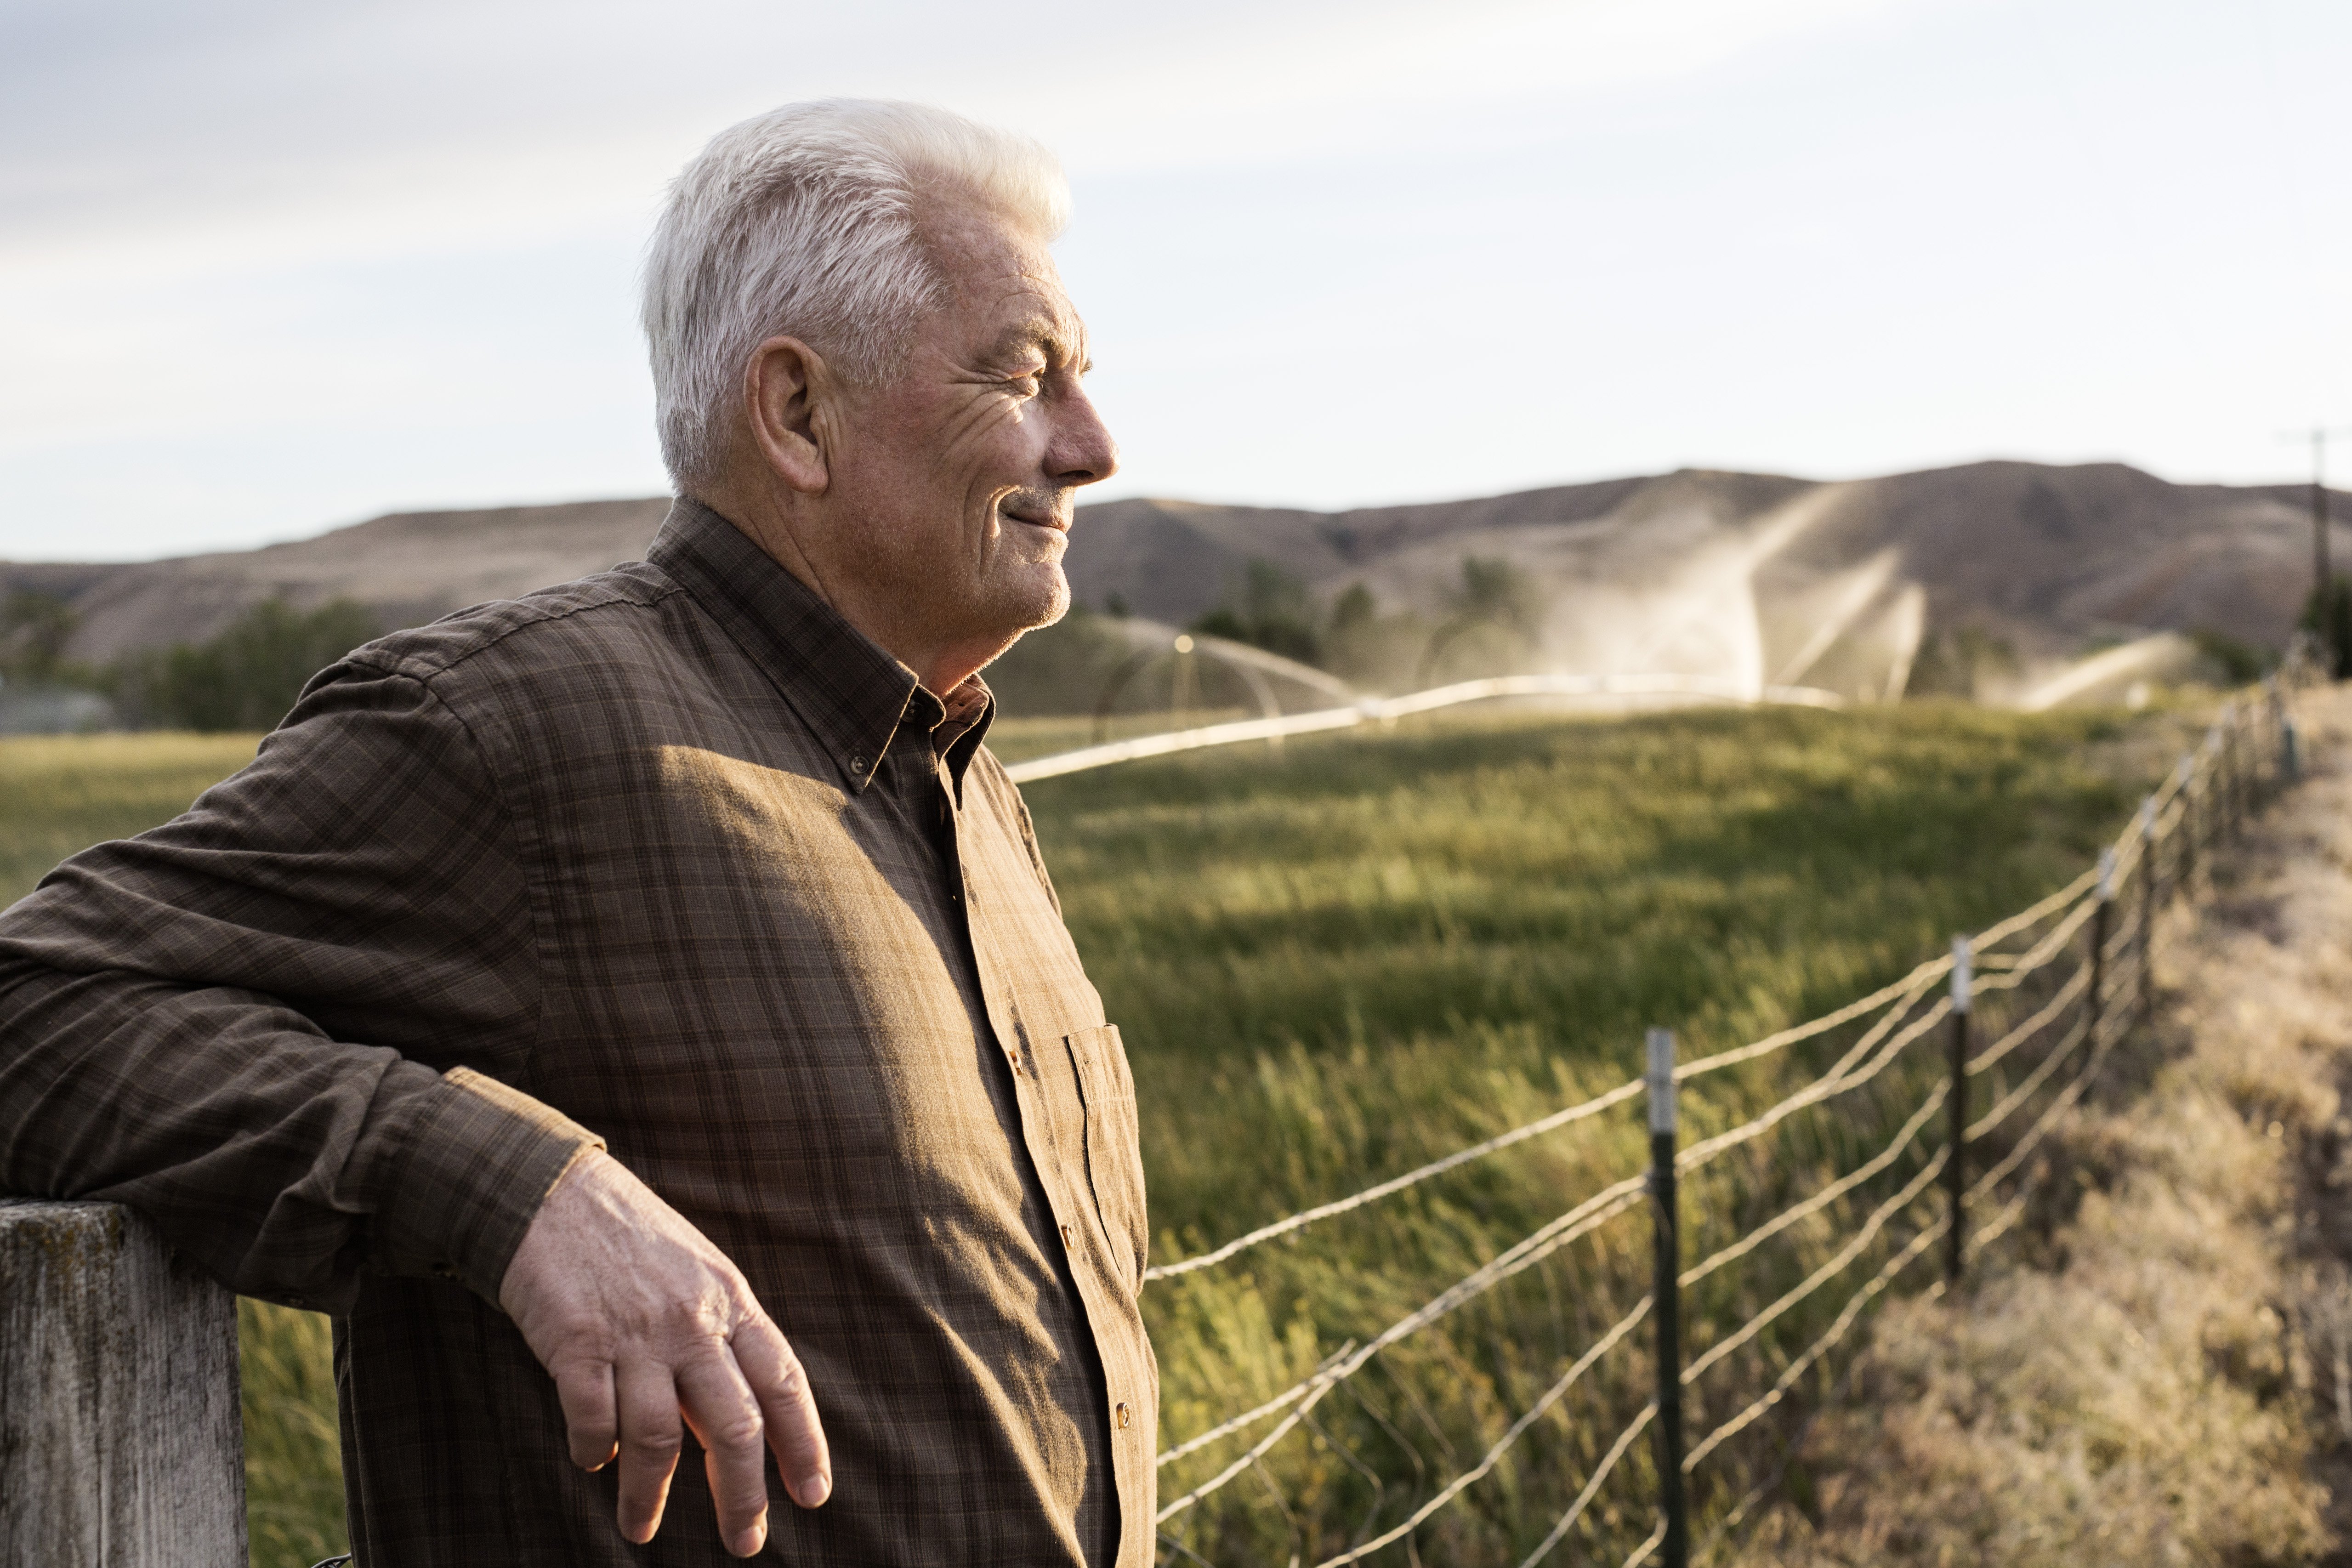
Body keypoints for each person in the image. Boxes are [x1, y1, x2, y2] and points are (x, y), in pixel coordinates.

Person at [0, 99, 1154, 1566]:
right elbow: (30, 1003)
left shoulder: (961, 774)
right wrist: (509, 1186)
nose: (1095, 445)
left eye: (1085, 382)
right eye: (1026, 376)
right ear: (798, 412)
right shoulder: (510, 728)